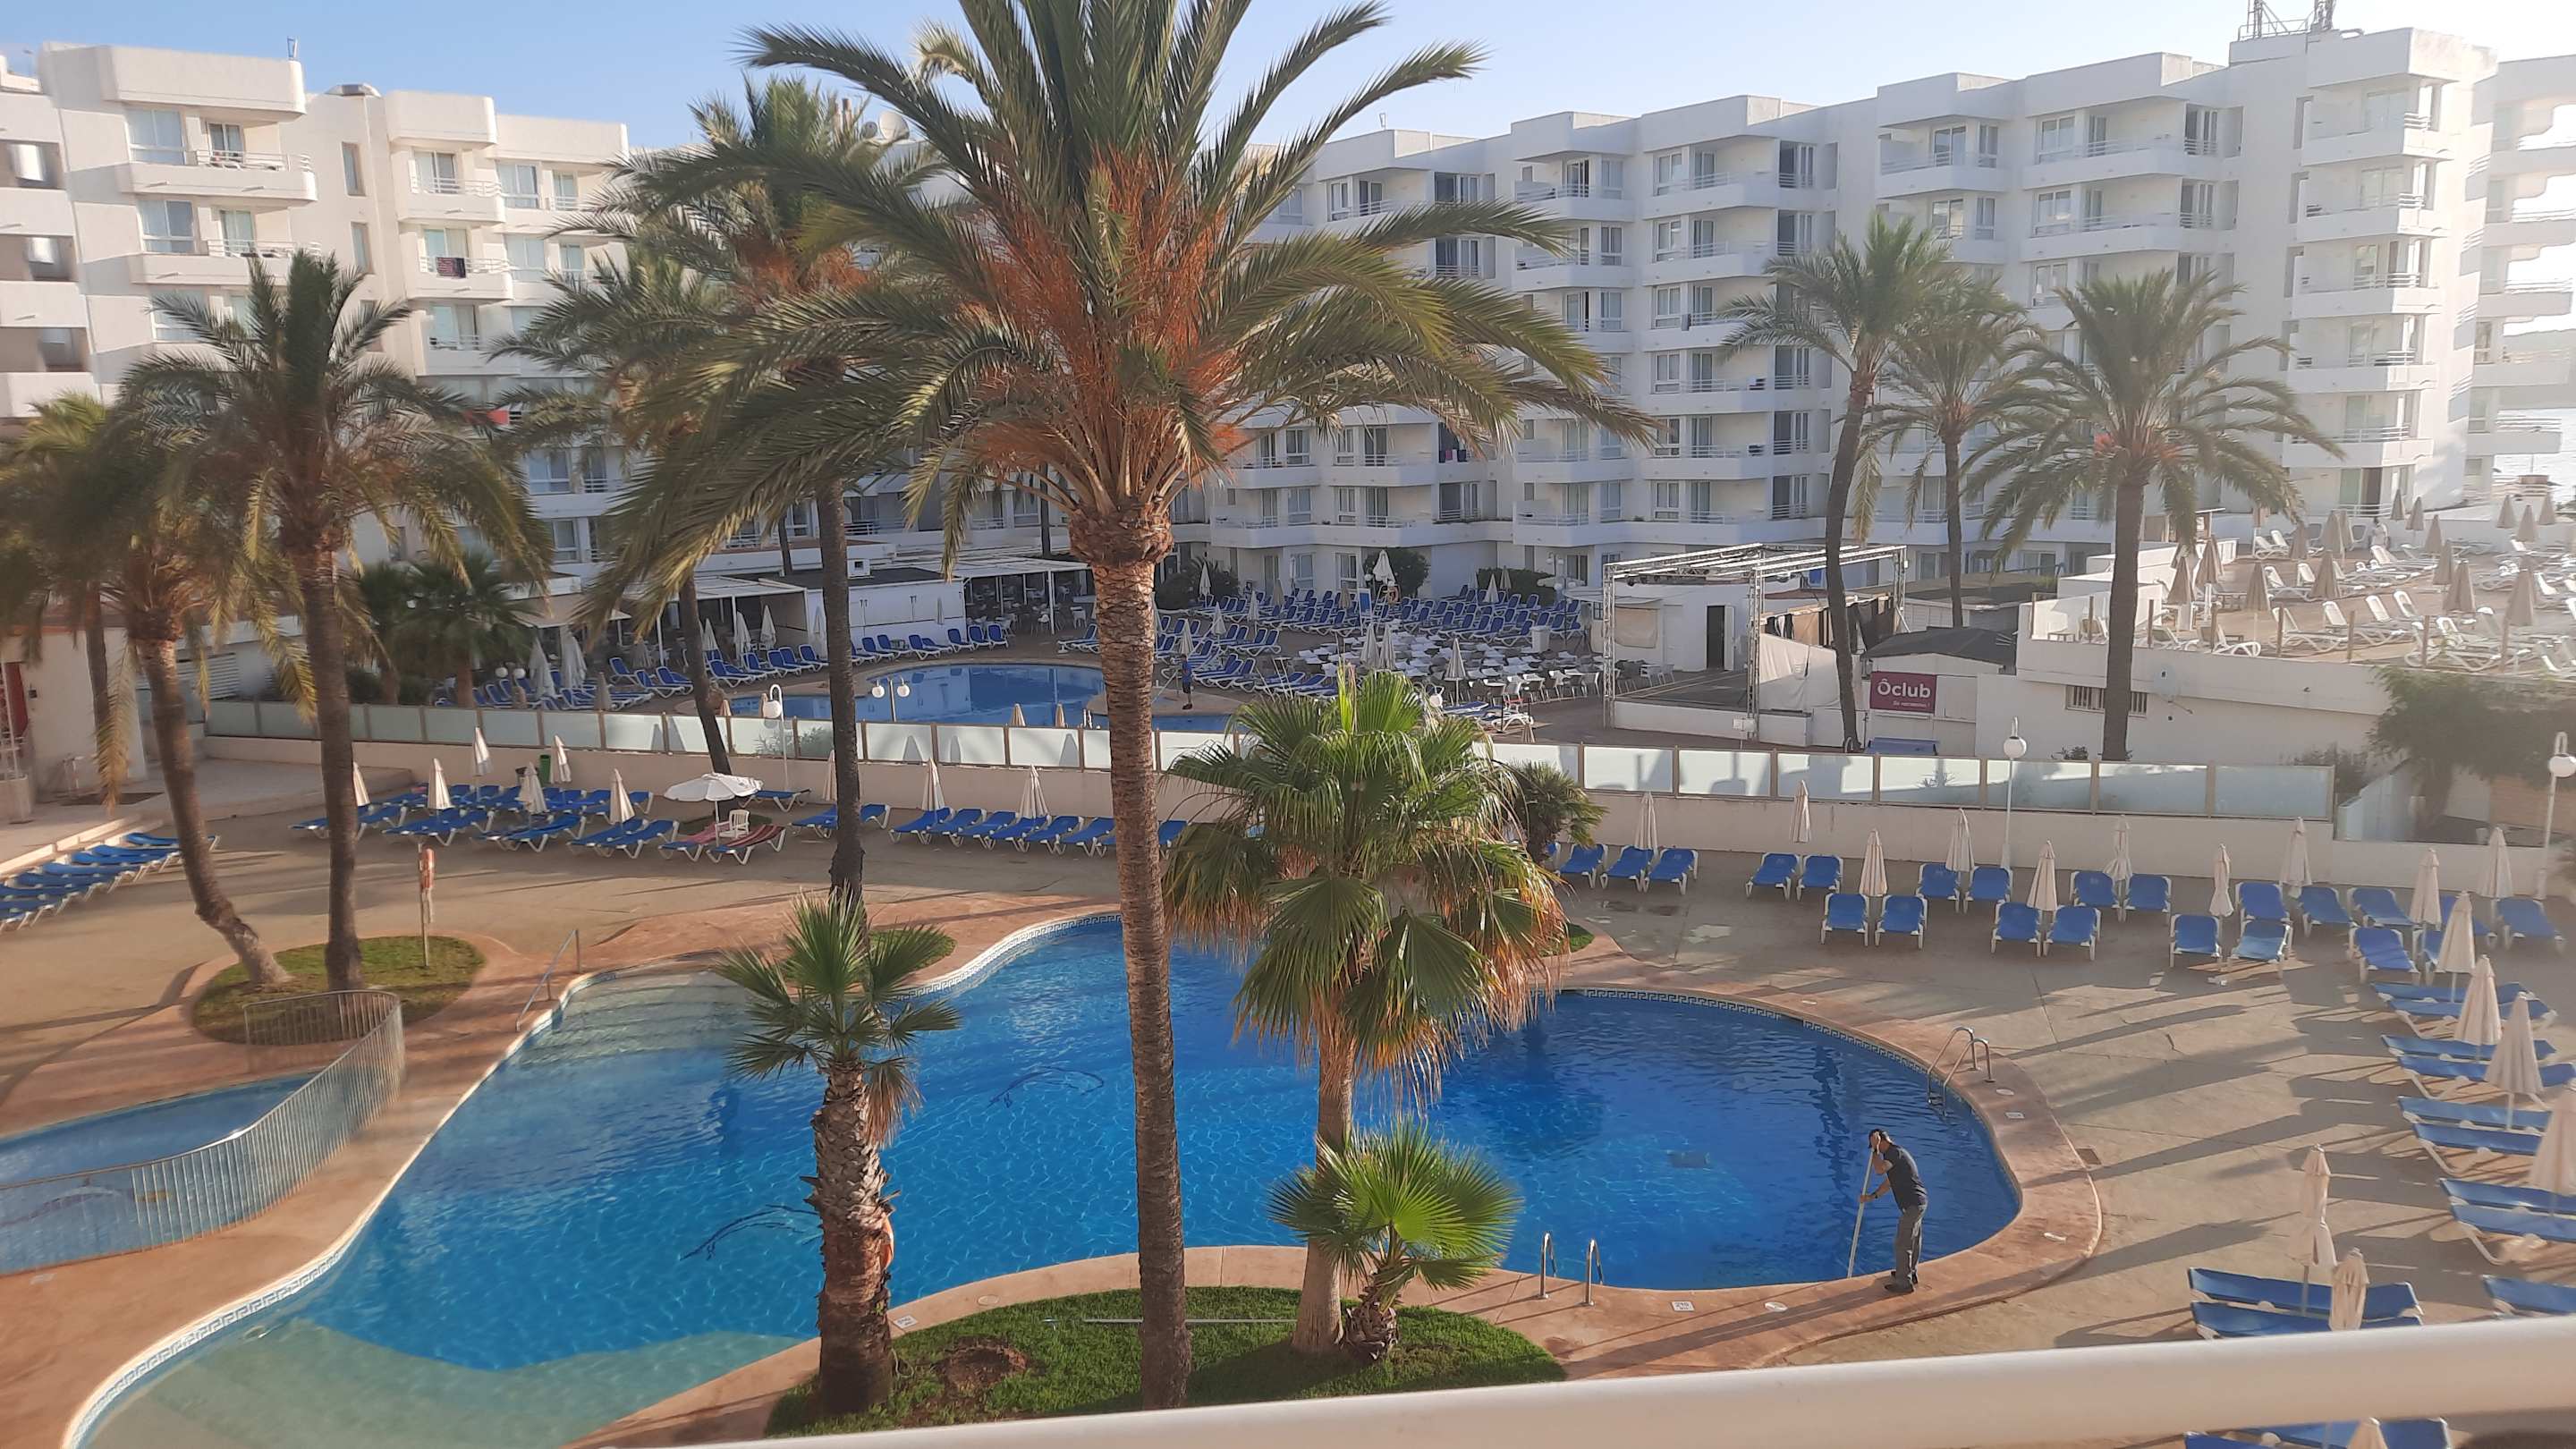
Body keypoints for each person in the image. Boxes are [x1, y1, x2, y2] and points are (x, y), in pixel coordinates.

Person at [1860, 1127, 1928, 1293]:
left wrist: (1875, 1149)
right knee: (1913, 1239)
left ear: (1882, 1141)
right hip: (1918, 1203)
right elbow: (1889, 1183)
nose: (1874, 1151)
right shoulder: (1895, 1155)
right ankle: (1909, 1272)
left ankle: (1904, 1283)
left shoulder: (1894, 1153)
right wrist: (1872, 1196)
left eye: (1875, 1145)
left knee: (1903, 1242)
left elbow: (1879, 1170)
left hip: (1913, 1204)